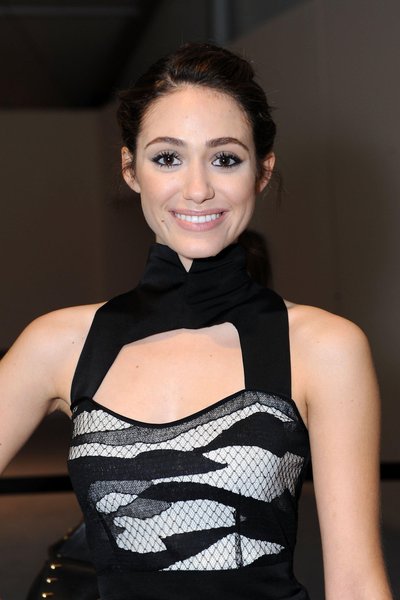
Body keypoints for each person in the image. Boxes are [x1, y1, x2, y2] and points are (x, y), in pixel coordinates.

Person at [0, 42, 393, 600]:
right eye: (168, 158)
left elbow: (356, 582)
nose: (198, 188)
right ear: (130, 169)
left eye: (225, 159)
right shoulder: (59, 342)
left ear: (262, 172)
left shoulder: (323, 346)